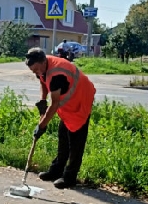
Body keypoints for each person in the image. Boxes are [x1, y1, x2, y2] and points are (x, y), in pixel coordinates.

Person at [25, 47, 96, 189]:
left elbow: (55, 104)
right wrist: (42, 99)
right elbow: (42, 81)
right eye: (34, 71)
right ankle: (56, 171)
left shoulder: (57, 75)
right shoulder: (41, 67)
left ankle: (70, 178)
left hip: (80, 99)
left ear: (44, 62)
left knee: (76, 142)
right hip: (68, 104)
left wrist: (42, 126)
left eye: (38, 69)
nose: (37, 73)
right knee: (63, 136)